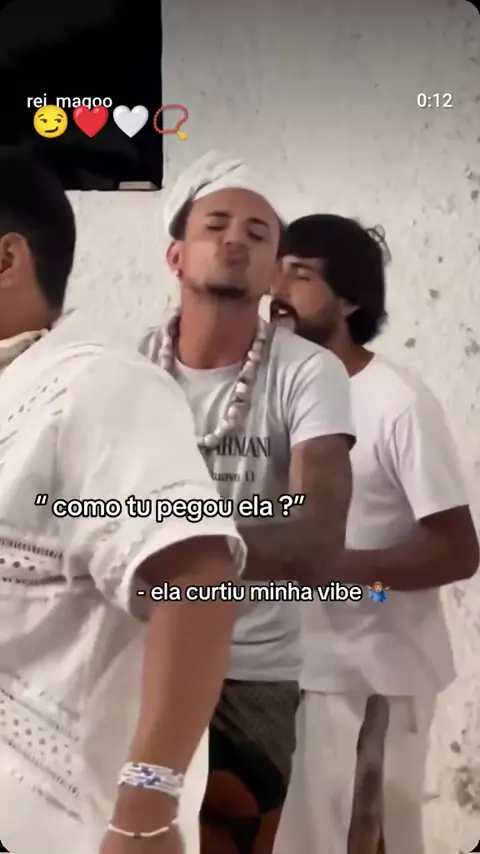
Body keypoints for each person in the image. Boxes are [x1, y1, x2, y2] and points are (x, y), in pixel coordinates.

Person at [0, 147, 248, 854]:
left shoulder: (97, 387)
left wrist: (145, 812)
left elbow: (196, 579)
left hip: (69, 828)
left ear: (7, 259)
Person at [139, 152, 355, 854]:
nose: (236, 239)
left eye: (258, 233)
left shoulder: (310, 374)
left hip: (254, 672)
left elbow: (317, 543)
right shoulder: (126, 371)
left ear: (272, 275)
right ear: (176, 255)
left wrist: (160, 545)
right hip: (137, 658)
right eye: (216, 225)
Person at [270, 214, 479, 854]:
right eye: (276, 270)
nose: (277, 289)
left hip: (376, 678)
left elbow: (457, 549)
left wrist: (331, 566)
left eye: (300, 275)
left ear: (350, 301)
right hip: (284, 670)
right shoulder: (264, 389)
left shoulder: (397, 402)